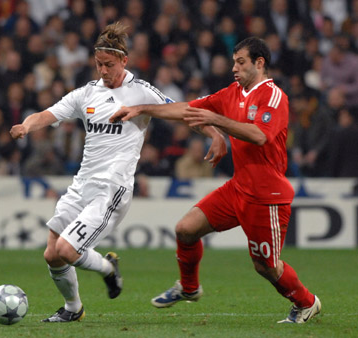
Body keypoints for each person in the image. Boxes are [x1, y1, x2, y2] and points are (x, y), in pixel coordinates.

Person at [10, 21, 228, 323]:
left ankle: (109, 269)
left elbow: (182, 112)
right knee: (51, 254)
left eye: (108, 64)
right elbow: (49, 113)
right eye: (98, 64)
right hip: (82, 185)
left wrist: (215, 133)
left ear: (124, 61)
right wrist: (27, 125)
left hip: (111, 189)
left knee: (67, 249)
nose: (103, 70)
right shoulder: (86, 94)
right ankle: (73, 309)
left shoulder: (141, 92)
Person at [110, 37, 321, 324]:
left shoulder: (273, 96)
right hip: (239, 188)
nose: (234, 68)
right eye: (234, 62)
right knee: (185, 229)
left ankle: (306, 302)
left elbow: (260, 136)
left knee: (266, 267)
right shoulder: (232, 93)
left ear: (260, 63)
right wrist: (142, 110)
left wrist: (217, 122)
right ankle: (189, 288)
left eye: (241, 62)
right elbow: (188, 110)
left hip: (265, 196)